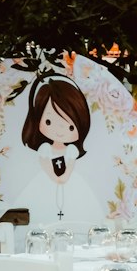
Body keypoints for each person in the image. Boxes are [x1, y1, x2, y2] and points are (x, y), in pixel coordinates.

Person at [20, 74, 93, 219]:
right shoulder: (45, 149)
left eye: (70, 127)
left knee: (75, 207)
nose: (59, 131)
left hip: (68, 181)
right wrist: (53, 176)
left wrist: (64, 176)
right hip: (46, 181)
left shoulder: (71, 150)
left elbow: (70, 165)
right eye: (49, 122)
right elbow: (45, 163)